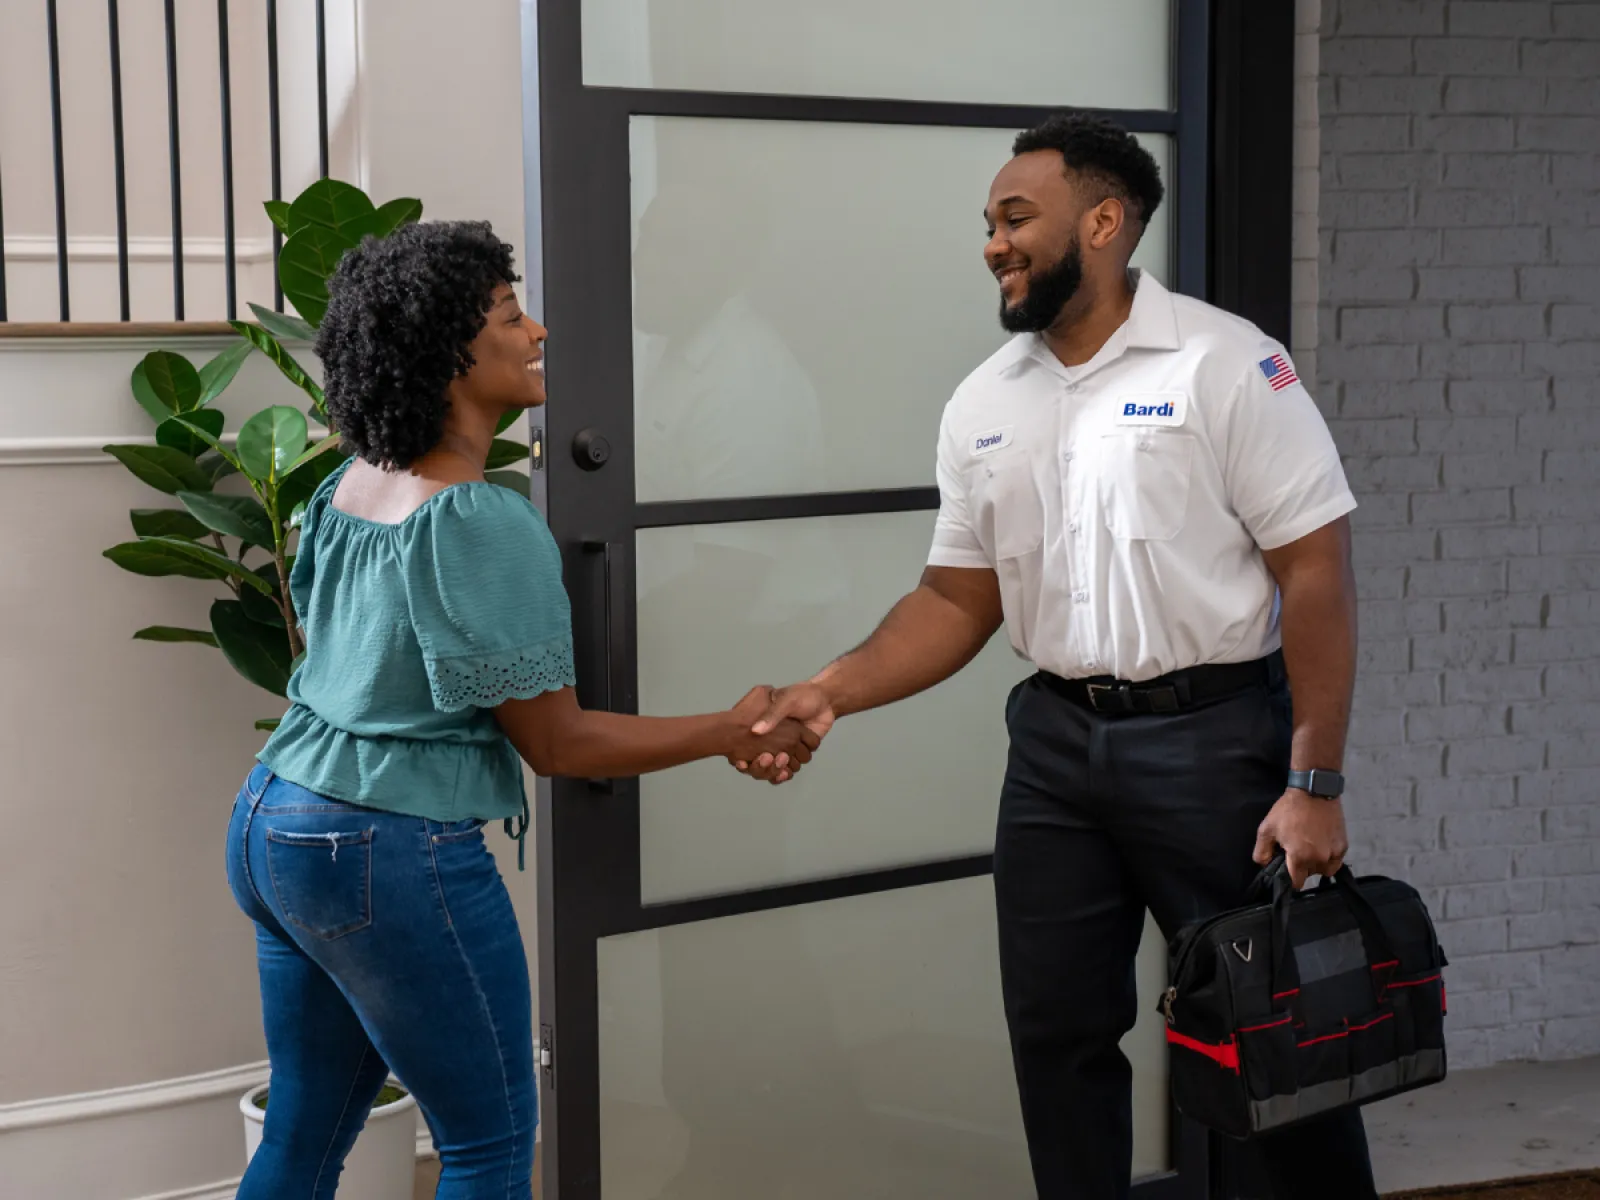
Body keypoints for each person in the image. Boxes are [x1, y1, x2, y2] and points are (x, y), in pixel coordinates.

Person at [737, 113, 1377, 1199]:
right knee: (1056, 1037)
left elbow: (1315, 572)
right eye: (987, 223)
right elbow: (954, 598)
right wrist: (829, 689)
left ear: (1104, 220)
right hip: (1053, 754)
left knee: (1267, 1028)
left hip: (1212, 742)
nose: (992, 241)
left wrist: (1312, 779)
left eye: (1014, 217)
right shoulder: (984, 401)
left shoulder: (1226, 364)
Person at [224, 220, 817, 1199]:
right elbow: (559, 742)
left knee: (302, 1132)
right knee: (489, 1147)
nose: (538, 331)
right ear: (443, 350)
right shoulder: (480, 520)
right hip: (384, 847)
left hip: (273, 820)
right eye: (509, 315)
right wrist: (730, 726)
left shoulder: (345, 488)